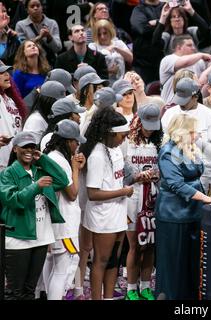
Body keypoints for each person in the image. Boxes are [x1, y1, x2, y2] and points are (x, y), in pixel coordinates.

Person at [155, 113, 211, 300]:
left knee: (192, 262)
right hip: (173, 214)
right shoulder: (168, 152)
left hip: (194, 212)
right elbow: (177, 185)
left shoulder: (189, 149)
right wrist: (205, 199)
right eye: (193, 132)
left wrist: (203, 199)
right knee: (173, 263)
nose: (197, 135)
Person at [0, 131, 69, 300]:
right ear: (15, 149)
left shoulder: (39, 171)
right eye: (24, 147)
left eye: (32, 147)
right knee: (15, 292)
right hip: (18, 239)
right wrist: (36, 187)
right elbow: (12, 200)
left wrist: (43, 158)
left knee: (30, 291)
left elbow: (62, 180)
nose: (29, 150)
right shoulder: (8, 173)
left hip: (41, 238)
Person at [79, 107, 134, 300]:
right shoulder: (97, 155)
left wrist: (132, 182)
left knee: (113, 261)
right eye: (122, 135)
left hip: (118, 212)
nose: (124, 139)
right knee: (100, 261)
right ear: (110, 133)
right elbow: (93, 193)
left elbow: (116, 180)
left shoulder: (115, 150)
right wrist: (124, 191)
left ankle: (109, 297)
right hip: (102, 216)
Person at [41, 120, 86, 300]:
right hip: (64, 223)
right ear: (68, 141)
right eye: (76, 141)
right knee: (61, 271)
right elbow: (73, 193)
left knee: (51, 264)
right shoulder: (60, 161)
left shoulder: (51, 156)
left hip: (52, 221)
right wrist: (76, 169)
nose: (77, 145)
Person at [123, 104, 163, 300]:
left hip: (152, 197)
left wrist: (157, 176)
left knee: (150, 244)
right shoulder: (126, 143)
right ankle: (131, 288)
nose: (150, 129)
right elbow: (121, 174)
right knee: (135, 245)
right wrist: (137, 176)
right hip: (132, 198)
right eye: (147, 125)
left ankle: (146, 286)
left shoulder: (159, 143)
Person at [161, 77, 211, 192]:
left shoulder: (210, 116)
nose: (180, 103)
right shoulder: (169, 114)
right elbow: (162, 145)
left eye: (185, 99)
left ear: (195, 97)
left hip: (201, 175)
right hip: (174, 172)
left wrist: (197, 140)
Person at [159, 34, 211, 104]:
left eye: (193, 45)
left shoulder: (198, 61)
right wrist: (201, 55)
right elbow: (185, 63)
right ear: (179, 47)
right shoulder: (168, 59)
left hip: (193, 104)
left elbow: (202, 81)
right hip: (171, 105)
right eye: (189, 45)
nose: (193, 48)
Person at [15, 0, 62, 66]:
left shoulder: (52, 23)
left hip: (50, 62)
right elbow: (21, 48)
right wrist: (39, 37)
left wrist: (49, 37)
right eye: (32, 6)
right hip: (30, 63)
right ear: (27, 10)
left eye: (38, 6)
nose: (35, 8)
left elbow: (58, 48)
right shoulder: (21, 25)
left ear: (42, 7)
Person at [88, 19, 133, 85]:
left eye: (105, 33)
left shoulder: (119, 43)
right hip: (101, 84)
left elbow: (130, 59)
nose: (102, 37)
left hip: (120, 82)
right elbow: (92, 67)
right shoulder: (93, 46)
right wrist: (108, 71)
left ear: (110, 32)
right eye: (99, 34)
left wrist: (116, 48)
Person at [0, 63, 27, 172]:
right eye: (1, 73)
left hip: (13, 162)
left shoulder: (10, 100)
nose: (7, 74)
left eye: (7, 72)